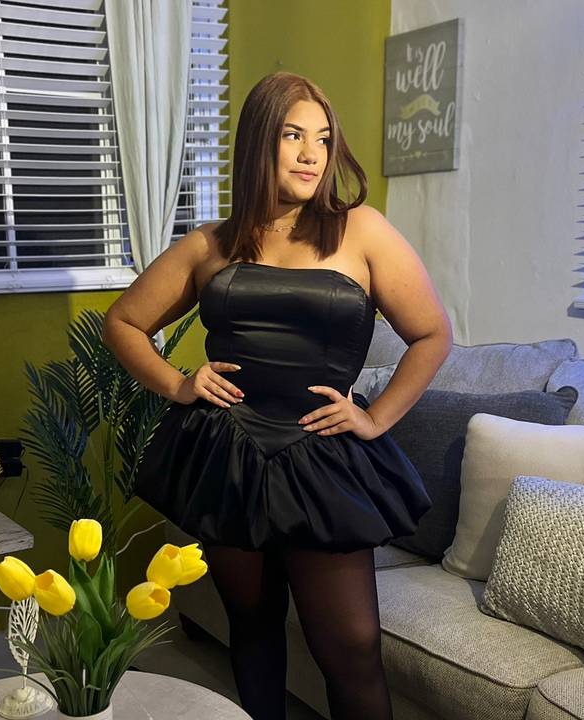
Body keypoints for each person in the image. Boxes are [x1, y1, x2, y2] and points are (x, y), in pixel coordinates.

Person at [103, 71, 453, 720]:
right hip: (229, 453)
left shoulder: (362, 231)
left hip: (323, 455)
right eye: (293, 135)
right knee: (253, 627)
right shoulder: (210, 243)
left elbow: (433, 335)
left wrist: (375, 418)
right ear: (259, 143)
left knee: (352, 647)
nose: (311, 153)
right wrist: (179, 383)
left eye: (322, 138)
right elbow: (123, 322)